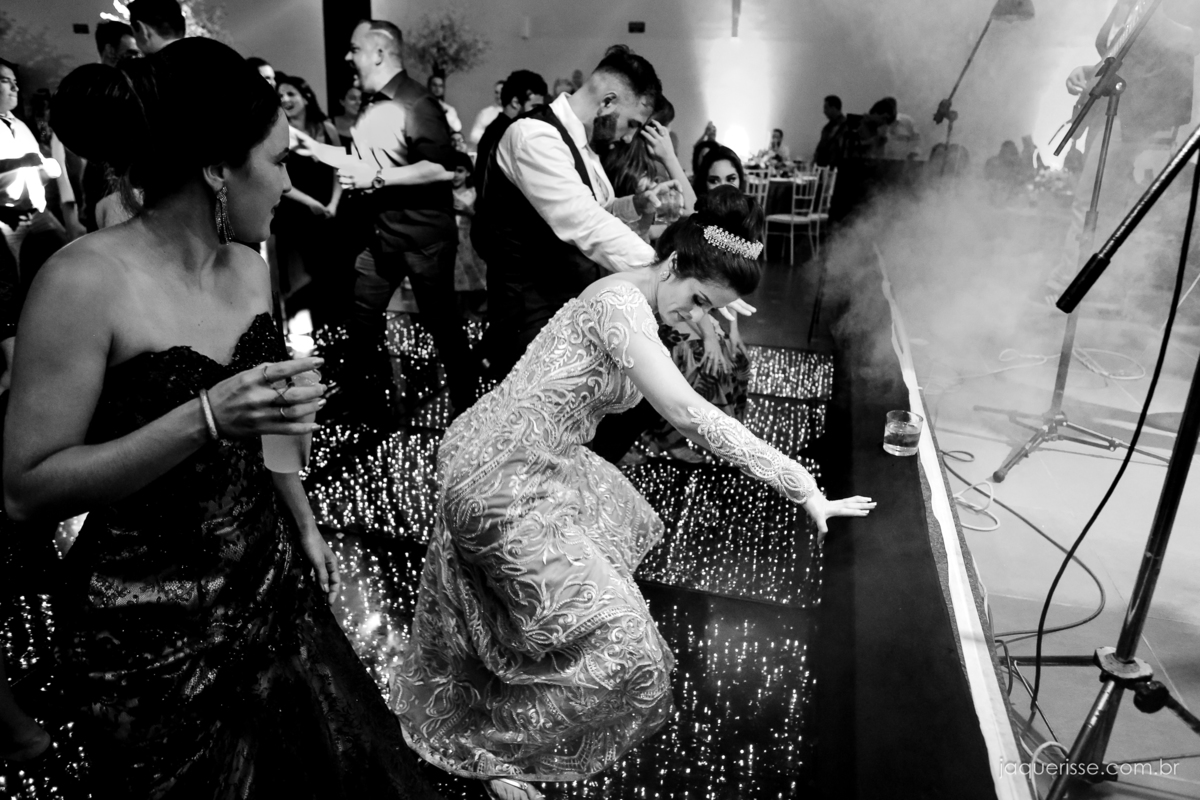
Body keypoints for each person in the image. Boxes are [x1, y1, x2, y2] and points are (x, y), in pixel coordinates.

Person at [15, 37, 443, 798]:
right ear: (217, 168)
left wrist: (303, 517)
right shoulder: (83, 281)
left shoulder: (249, 264)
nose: (289, 181)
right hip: (152, 618)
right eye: (277, 161)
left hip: (267, 577)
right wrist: (205, 416)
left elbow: (268, 425)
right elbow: (26, 489)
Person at [395, 187, 875, 800]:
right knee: (627, 650)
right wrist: (799, 483)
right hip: (502, 482)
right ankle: (496, 748)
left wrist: (709, 298)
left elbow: (663, 262)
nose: (698, 318)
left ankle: (514, 686)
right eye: (698, 301)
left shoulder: (646, 282)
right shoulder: (622, 304)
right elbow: (688, 413)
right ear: (672, 266)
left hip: (536, 462)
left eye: (711, 309)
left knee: (617, 540)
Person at [474, 45, 684, 380]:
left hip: (566, 303)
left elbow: (597, 209)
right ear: (608, 102)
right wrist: (667, 274)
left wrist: (636, 204)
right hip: (528, 312)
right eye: (631, 124)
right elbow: (584, 222)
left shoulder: (585, 145)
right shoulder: (534, 136)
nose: (629, 138)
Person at [306, 20, 476, 418]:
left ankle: (470, 409)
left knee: (442, 327)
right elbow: (365, 164)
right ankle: (354, 400)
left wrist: (377, 177)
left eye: (354, 49)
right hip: (381, 236)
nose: (348, 57)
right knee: (362, 319)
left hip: (423, 240)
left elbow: (442, 168)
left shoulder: (416, 103)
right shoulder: (374, 103)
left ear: (380, 53)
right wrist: (312, 147)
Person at [273, 73, 341, 320]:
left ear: (306, 97)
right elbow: (280, 179)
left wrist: (333, 203)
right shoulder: (279, 132)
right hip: (296, 214)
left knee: (332, 278)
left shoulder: (327, 128)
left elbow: (339, 168)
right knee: (303, 283)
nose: (285, 99)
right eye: (281, 95)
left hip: (329, 211)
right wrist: (311, 203)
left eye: (291, 94)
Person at [470, 69, 546, 206]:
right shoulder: (507, 134)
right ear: (515, 102)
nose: (539, 113)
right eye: (535, 106)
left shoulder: (497, 130)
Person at [450, 152, 486, 319]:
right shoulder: (445, 194)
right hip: (452, 244)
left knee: (473, 280)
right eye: (452, 171)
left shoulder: (474, 193)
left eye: (460, 171)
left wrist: (467, 210)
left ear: (468, 172)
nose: (455, 175)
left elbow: (482, 218)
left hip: (470, 244)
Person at [468, 79, 505, 147]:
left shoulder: (517, 113)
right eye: (496, 92)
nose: (499, 96)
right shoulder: (485, 113)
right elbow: (474, 135)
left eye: (502, 92)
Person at [814, 94, 847, 167]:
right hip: (824, 165)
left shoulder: (845, 127)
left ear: (833, 108)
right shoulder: (828, 127)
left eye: (826, 108)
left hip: (835, 166)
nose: (824, 111)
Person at [331, 84, 362, 149]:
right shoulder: (329, 124)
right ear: (342, 101)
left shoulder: (370, 124)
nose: (358, 102)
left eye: (360, 99)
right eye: (353, 98)